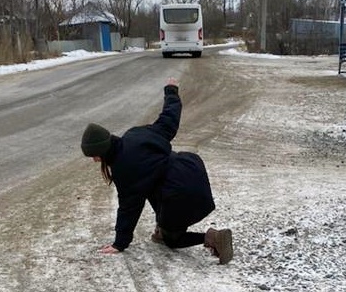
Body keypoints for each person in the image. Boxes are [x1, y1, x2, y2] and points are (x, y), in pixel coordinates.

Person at [80, 77, 234, 264]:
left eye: (95, 156)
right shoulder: (135, 134)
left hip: (179, 193)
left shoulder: (124, 167)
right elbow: (168, 119)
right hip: (191, 171)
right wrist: (171, 91)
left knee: (173, 240)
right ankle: (165, 227)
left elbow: (130, 207)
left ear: (102, 150)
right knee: (153, 184)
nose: (95, 160)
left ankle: (213, 238)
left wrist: (120, 243)